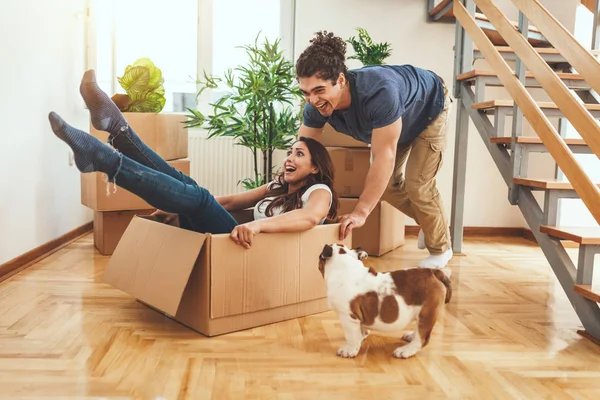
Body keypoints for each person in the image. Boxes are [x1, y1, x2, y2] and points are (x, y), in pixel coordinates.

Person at [48, 70, 339, 249]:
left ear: (315, 166)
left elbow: (310, 217)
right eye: (289, 152)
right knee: (187, 185)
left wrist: (257, 225)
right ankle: (116, 129)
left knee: (198, 196)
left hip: (252, 252)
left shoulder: (318, 192)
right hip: (237, 243)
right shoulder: (275, 189)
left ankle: (105, 158)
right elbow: (226, 203)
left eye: (299, 154)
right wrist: (177, 208)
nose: (289, 157)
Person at [295, 31, 453, 269]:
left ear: (340, 81)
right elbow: (302, 153)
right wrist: (287, 196)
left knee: (417, 184)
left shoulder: (379, 93)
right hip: (397, 121)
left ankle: (441, 248)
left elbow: (383, 158)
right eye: (306, 93)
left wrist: (360, 212)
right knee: (388, 189)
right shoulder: (315, 108)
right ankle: (432, 225)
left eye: (319, 91)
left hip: (429, 109)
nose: (313, 100)